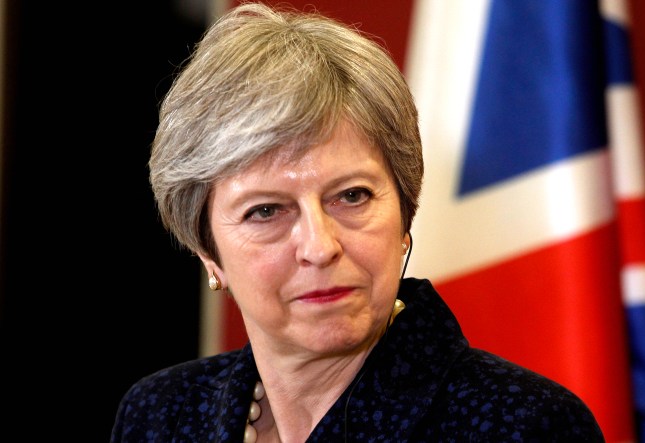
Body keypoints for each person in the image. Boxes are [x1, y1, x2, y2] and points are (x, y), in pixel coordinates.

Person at [111, 2, 605, 442]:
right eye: (265, 211)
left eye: (351, 196)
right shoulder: (161, 415)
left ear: (404, 213)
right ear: (206, 249)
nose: (319, 246)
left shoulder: (524, 424)